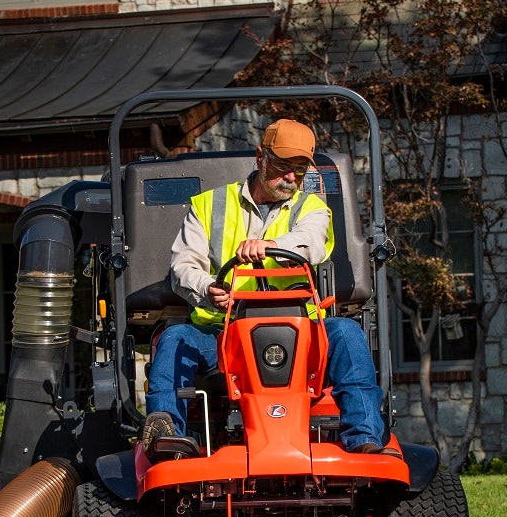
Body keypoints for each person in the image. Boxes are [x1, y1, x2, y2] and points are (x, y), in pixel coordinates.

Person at [143, 118, 393, 458]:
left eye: (299, 170)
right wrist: (209, 288)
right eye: (282, 166)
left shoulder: (313, 210)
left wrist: (272, 245)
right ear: (261, 157)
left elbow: (309, 243)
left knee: (347, 333)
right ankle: (167, 436)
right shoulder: (208, 205)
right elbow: (183, 267)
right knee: (175, 338)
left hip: (301, 334)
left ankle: (365, 439)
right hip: (225, 335)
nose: (290, 177)